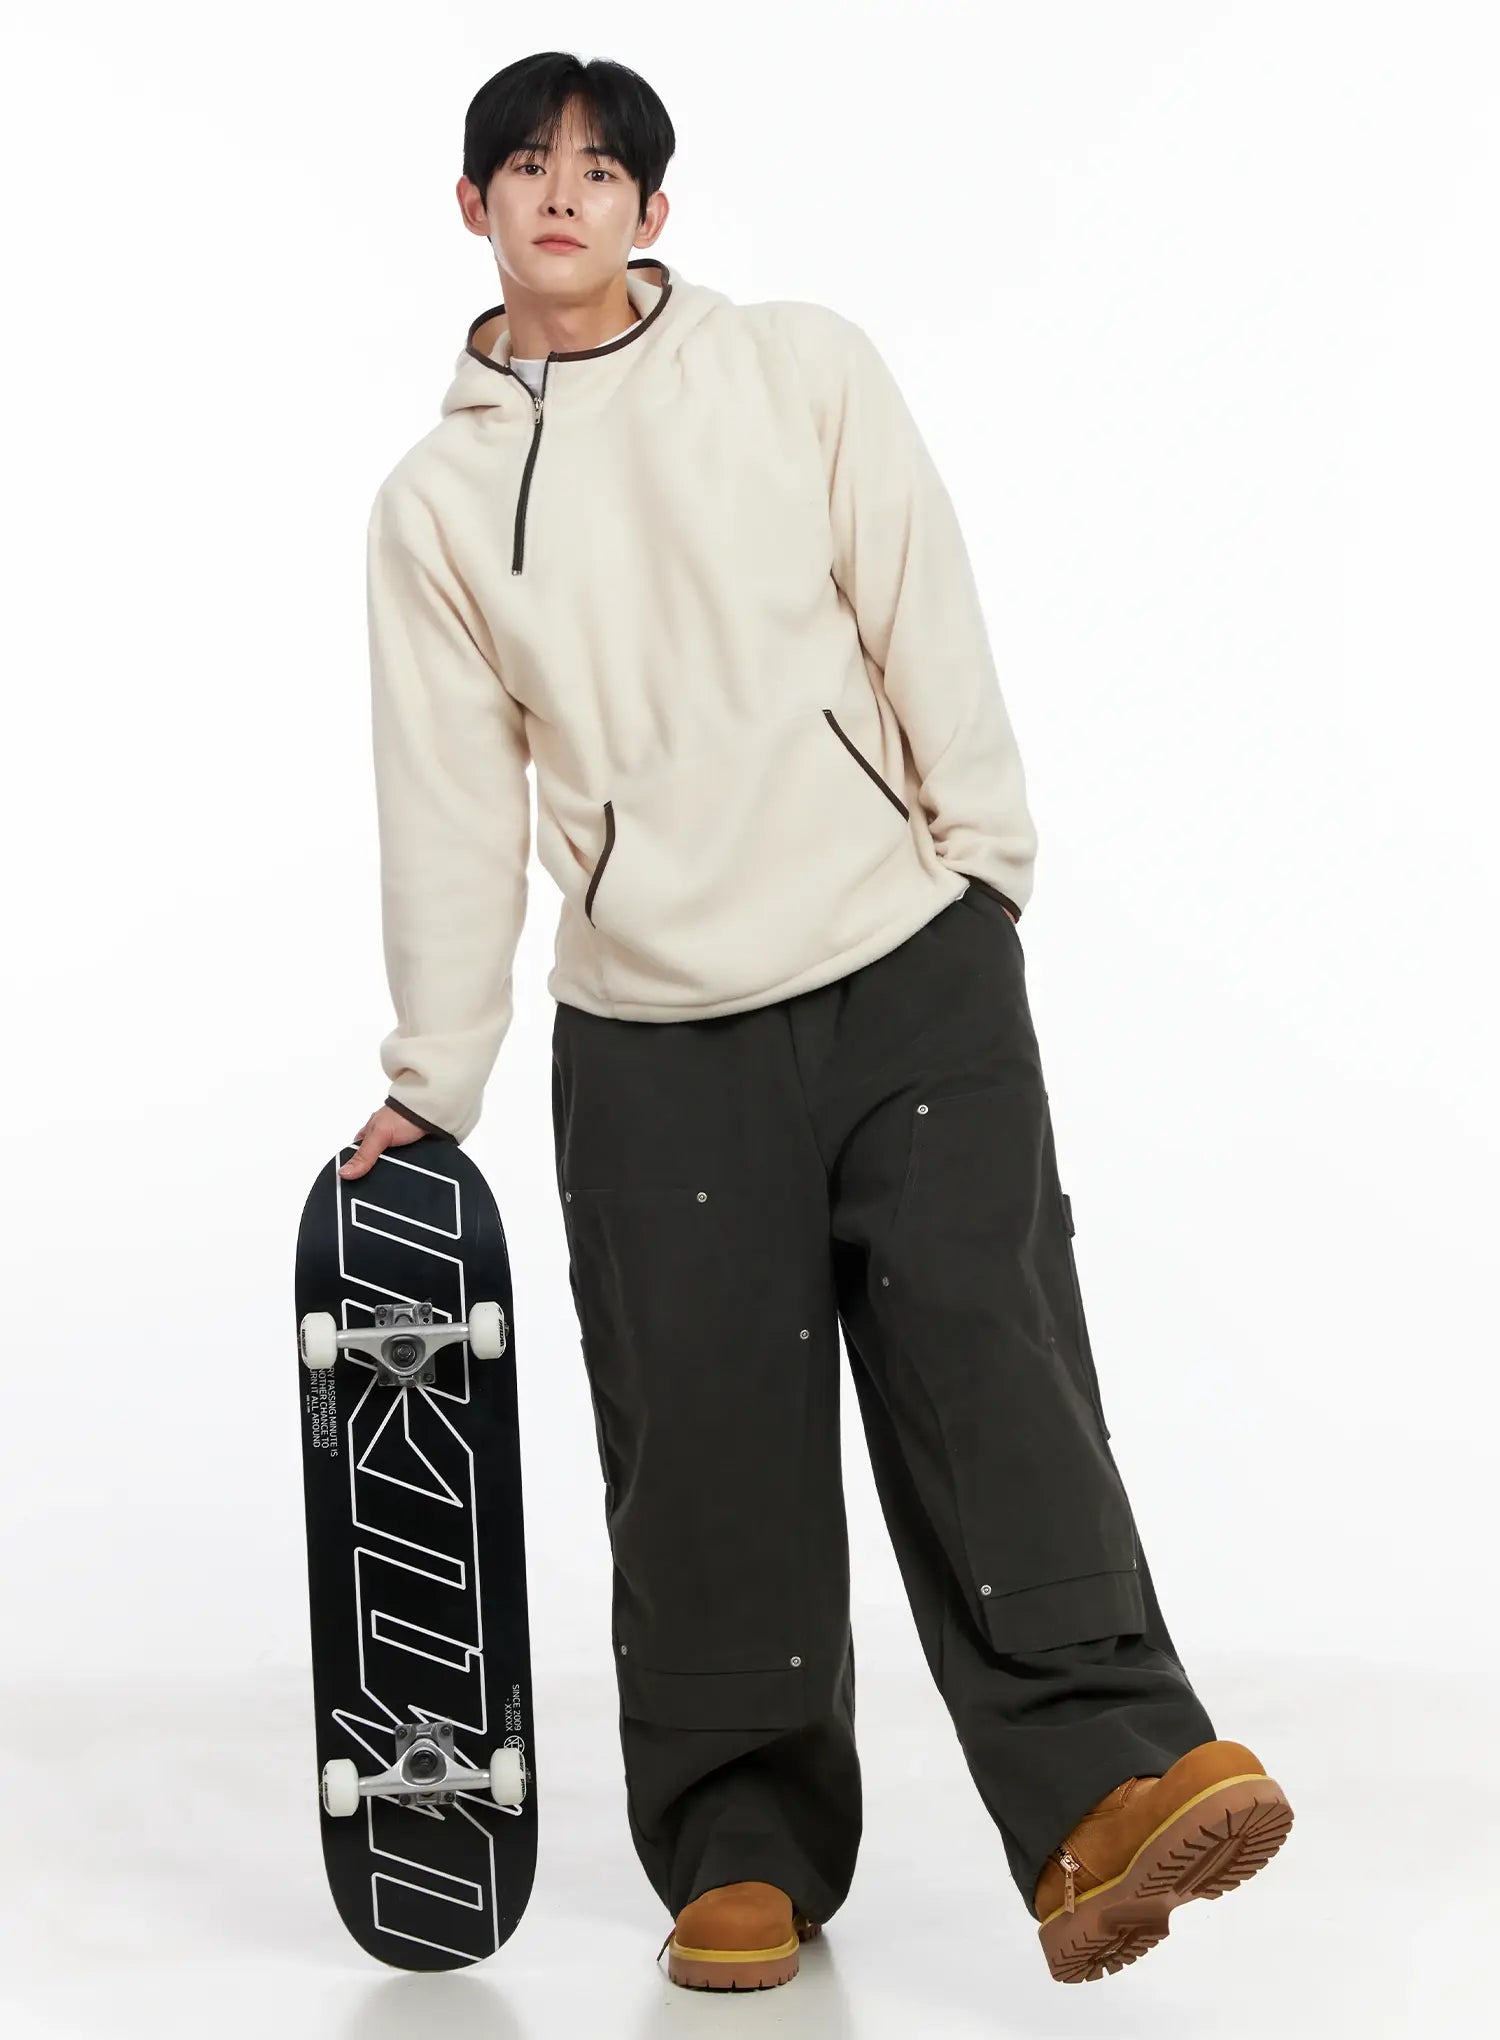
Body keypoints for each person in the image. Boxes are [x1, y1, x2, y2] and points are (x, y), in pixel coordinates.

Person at [341, 49, 1293, 1991]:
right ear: (471, 208)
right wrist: (434, 1080)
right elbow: (446, 796)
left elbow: (921, 601)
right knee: (701, 1443)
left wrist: (983, 872)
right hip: (652, 1037)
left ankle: (1108, 1793)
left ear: (654, 211)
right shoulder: (436, 504)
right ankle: (741, 1846)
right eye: (524, 165)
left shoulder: (798, 370)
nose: (562, 194)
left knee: (990, 1368)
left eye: (600, 170)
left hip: (900, 964)